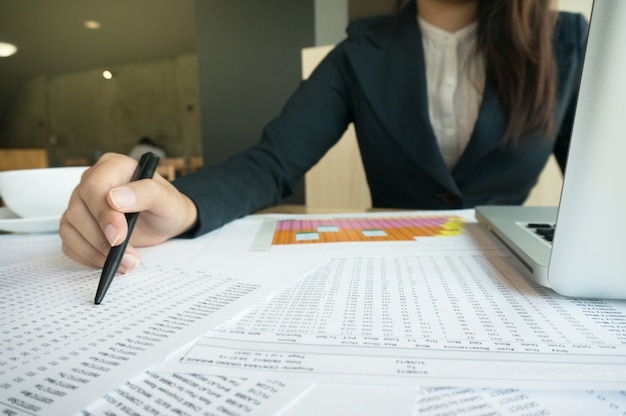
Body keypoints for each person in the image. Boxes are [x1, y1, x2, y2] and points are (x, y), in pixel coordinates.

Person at [60, 0, 588, 274]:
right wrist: (181, 202)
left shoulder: (569, 41)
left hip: (513, 269)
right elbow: (272, 163)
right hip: (389, 265)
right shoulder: (358, 53)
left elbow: (602, 178)